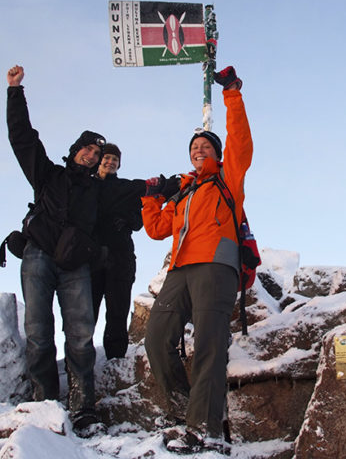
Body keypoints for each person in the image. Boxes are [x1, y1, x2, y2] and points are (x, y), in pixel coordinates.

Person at [141, 66, 252, 455]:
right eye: (193, 149)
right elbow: (156, 229)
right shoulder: (184, 193)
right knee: (156, 339)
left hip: (216, 267)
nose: (198, 152)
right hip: (180, 269)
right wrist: (152, 195)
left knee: (208, 344)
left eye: (205, 148)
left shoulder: (228, 179)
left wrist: (232, 94)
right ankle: (180, 415)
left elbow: (240, 142)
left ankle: (206, 431)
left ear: (217, 155)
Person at [6, 65, 103, 437]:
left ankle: (83, 409)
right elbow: (23, 139)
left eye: (96, 153)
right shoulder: (49, 175)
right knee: (38, 330)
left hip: (75, 264)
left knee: (80, 334)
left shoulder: (99, 191)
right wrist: (16, 92)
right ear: (76, 150)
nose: (91, 156)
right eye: (87, 149)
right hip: (39, 255)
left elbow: (131, 201)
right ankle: (44, 404)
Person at [90, 143, 146, 360]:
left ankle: (115, 359)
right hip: (90, 258)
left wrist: (125, 220)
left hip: (120, 257)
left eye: (115, 159)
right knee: (86, 312)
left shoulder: (125, 188)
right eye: (107, 158)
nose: (110, 162)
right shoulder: (86, 186)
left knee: (117, 311)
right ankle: (80, 362)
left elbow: (138, 221)